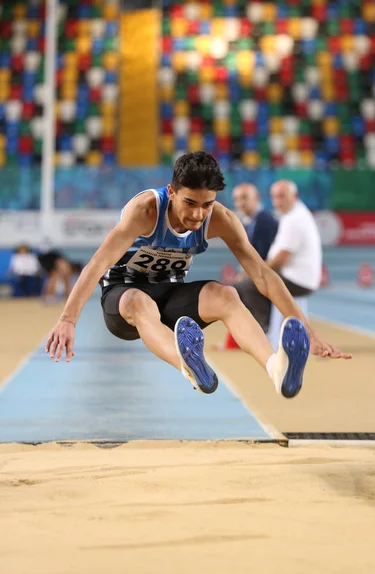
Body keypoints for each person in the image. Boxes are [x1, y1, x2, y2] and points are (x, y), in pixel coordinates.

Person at [45, 152, 351, 400]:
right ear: (172, 192)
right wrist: (68, 319)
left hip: (171, 296)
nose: (197, 215)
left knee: (227, 295)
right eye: (189, 203)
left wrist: (307, 330)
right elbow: (96, 265)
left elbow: (264, 275)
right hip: (123, 299)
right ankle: (188, 366)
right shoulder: (145, 211)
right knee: (139, 301)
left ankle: (276, 368)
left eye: (207, 205)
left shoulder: (220, 219)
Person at [266, 179, 322, 350]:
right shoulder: (295, 214)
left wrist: (257, 271)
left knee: (253, 286)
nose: (277, 201)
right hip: (299, 276)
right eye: (274, 197)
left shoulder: (295, 218)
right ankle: (297, 338)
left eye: (282, 196)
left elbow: (282, 256)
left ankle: (269, 337)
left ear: (295, 196)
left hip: (298, 279)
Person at [232, 182, 278, 333]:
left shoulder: (265, 221)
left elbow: (264, 256)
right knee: (235, 286)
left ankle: (263, 326)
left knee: (241, 286)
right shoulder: (250, 221)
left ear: (256, 198)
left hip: (272, 270)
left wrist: (246, 274)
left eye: (244, 198)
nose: (240, 203)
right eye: (237, 199)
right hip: (261, 270)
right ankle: (251, 328)